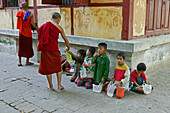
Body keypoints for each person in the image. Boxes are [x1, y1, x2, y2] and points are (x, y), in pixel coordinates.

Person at [37, 12, 70, 91]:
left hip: (46, 50)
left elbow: (40, 34)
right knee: (58, 67)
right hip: (54, 50)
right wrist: (68, 47)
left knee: (48, 68)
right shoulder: (59, 27)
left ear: (52, 18)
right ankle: (59, 85)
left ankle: (51, 86)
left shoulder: (45, 26)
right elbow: (65, 39)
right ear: (58, 19)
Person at [16, 2, 38, 66]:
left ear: (22, 7)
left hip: (21, 32)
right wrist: (37, 28)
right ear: (27, 6)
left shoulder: (19, 13)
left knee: (21, 47)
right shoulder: (30, 14)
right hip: (28, 33)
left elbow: (19, 23)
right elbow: (32, 24)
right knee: (28, 47)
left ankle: (20, 62)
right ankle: (27, 62)